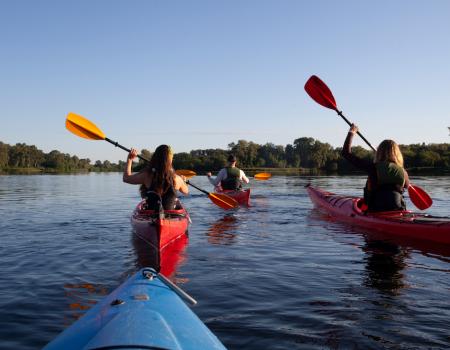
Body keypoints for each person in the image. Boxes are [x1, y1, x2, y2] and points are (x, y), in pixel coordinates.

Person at [342, 124, 410, 212]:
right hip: (398, 210)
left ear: (379, 153)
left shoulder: (373, 168)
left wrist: (351, 132)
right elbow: (407, 186)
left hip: (376, 211)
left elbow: (346, 153)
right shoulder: (403, 172)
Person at [123, 144, 188, 211]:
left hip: (151, 216)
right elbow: (186, 191)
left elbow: (126, 178)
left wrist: (130, 159)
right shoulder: (177, 179)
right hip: (170, 216)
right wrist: (183, 181)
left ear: (155, 157)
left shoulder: (146, 176)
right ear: (170, 160)